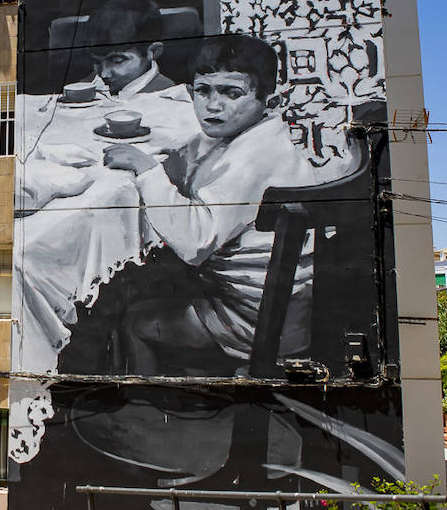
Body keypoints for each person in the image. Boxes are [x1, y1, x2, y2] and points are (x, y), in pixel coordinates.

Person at [102, 33, 315, 374]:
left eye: (232, 93)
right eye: (203, 91)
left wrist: (147, 170)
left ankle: (146, 410)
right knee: (147, 277)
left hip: (258, 317)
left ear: (269, 101)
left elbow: (194, 243)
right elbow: (199, 161)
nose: (213, 106)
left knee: (133, 319)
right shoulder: (256, 135)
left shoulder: (250, 161)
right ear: (191, 92)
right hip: (287, 299)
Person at [81, 0, 177, 97]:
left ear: (153, 52)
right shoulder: (87, 84)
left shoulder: (170, 95)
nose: (104, 74)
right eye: (96, 61)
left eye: (117, 61)